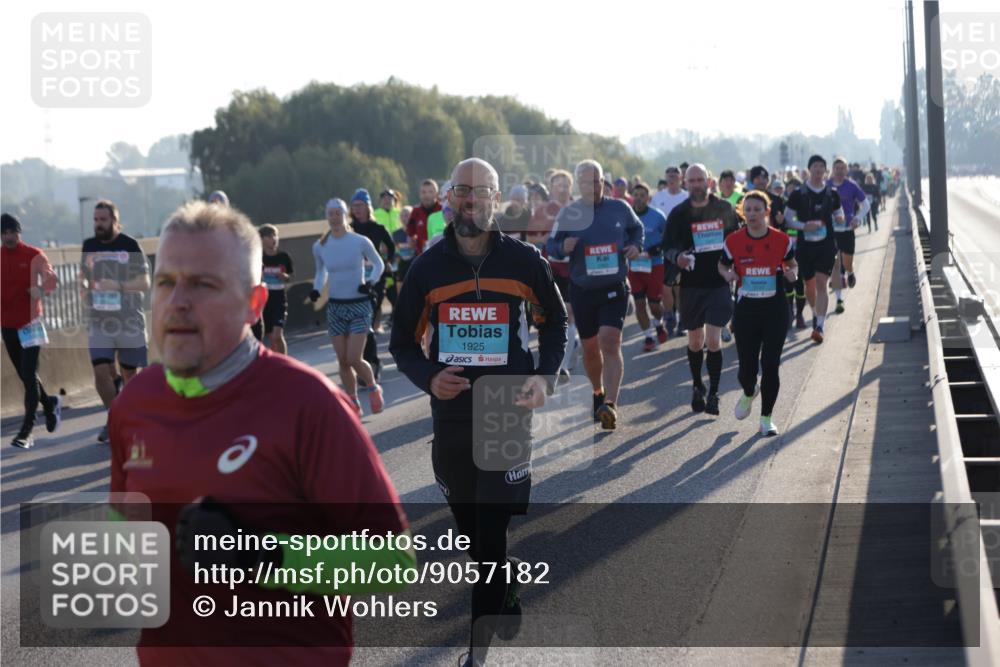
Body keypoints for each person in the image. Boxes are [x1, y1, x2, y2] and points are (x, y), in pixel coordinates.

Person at [110, 200, 412, 666]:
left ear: (255, 305)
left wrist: (260, 556)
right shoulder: (133, 404)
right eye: (166, 282)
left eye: (203, 284)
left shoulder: (306, 403)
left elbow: (390, 565)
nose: (178, 301)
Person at [390, 158, 567, 667]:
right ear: (449, 198)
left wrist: (543, 375)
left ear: (495, 199)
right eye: (461, 191)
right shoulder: (425, 269)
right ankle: (505, 581)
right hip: (450, 418)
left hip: (505, 411)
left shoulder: (525, 260)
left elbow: (555, 324)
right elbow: (402, 343)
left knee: (489, 533)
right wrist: (428, 378)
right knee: (474, 537)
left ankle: (476, 652)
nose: (471, 201)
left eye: (480, 192)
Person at [547, 159, 643, 429]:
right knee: (590, 350)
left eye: (599, 180)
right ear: (580, 184)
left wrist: (636, 245)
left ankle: (610, 404)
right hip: (583, 289)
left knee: (609, 341)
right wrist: (562, 246)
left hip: (614, 286)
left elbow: (637, 229)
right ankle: (597, 392)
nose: (596, 186)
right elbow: (551, 245)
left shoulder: (619, 208)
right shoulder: (568, 214)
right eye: (589, 182)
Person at [719, 191, 798, 437]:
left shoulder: (781, 240)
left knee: (771, 365)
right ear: (743, 212)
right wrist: (728, 274)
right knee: (746, 369)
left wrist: (792, 273)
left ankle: (766, 419)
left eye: (757, 209)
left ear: (766, 211)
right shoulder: (733, 241)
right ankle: (749, 391)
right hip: (746, 311)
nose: (752, 213)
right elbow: (722, 264)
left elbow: (792, 264)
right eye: (748, 209)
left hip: (775, 309)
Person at [663, 164, 740, 416]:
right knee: (695, 341)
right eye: (692, 180)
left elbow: (735, 241)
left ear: (709, 181)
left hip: (718, 283)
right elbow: (668, 248)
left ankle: (714, 394)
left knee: (713, 340)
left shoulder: (723, 209)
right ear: (686, 183)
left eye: (700, 179)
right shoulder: (678, 214)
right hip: (691, 287)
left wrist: (734, 270)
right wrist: (678, 259)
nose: (696, 184)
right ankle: (698, 384)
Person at [80, 199, 150, 444]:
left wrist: (118, 286)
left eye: (103, 220)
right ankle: (116, 419)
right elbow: (85, 277)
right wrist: (85, 290)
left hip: (129, 319)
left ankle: (133, 417)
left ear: (114, 220)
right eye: (95, 220)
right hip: (100, 320)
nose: (98, 224)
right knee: (101, 371)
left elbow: (144, 283)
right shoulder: (88, 245)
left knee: (130, 375)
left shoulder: (129, 245)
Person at [310, 198, 386, 415]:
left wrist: (370, 283)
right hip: (336, 307)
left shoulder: (359, 241)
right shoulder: (320, 245)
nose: (334, 217)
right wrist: (317, 289)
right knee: (343, 361)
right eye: (330, 213)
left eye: (338, 213)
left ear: (346, 215)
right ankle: (352, 402)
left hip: (359, 305)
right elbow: (321, 272)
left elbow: (379, 263)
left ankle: (372, 387)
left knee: (354, 358)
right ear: (327, 216)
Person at [1, 213, 61, 449]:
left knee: (28, 373)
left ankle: (26, 432)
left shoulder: (34, 255)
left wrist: (41, 288)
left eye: (12, 231)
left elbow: (52, 280)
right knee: (26, 377)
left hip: (31, 324)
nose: (8, 237)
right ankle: (49, 403)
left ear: (20, 232)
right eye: (4, 232)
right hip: (7, 325)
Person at [784, 155, 846, 344]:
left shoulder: (831, 193)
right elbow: (788, 218)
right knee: (809, 285)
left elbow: (839, 212)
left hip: (826, 245)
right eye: (815, 166)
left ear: (825, 170)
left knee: (821, 283)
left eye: (821, 166)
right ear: (810, 169)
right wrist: (804, 226)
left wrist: (840, 218)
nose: (818, 170)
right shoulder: (799, 193)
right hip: (805, 246)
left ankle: (819, 325)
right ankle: (814, 311)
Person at [529, 170, 579, 384]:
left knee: (569, 313)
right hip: (550, 268)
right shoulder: (542, 211)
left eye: (565, 185)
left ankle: (564, 366)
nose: (562, 188)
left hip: (575, 268)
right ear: (550, 188)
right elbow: (530, 236)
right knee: (551, 316)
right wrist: (549, 237)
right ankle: (564, 350)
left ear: (571, 187)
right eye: (557, 185)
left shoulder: (580, 210)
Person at [348, 189, 395, 386]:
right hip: (353, 283)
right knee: (357, 326)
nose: (357, 210)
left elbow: (391, 248)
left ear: (368, 207)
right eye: (354, 206)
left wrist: (384, 264)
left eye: (360, 206)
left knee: (366, 324)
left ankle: (371, 365)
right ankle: (363, 364)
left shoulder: (378, 228)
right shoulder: (348, 229)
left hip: (374, 282)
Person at [626, 181, 669, 351]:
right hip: (635, 267)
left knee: (655, 305)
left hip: (655, 265)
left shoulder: (658, 216)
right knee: (639, 304)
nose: (638, 198)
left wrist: (656, 249)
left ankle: (659, 323)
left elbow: (668, 238)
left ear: (648, 198)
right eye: (635, 195)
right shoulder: (626, 217)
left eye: (642, 195)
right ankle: (648, 336)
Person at [651, 166, 689, 337]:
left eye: (675, 175)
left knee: (679, 287)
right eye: (669, 176)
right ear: (665, 178)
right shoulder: (658, 197)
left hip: (682, 247)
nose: (672, 178)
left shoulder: (687, 196)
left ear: (681, 178)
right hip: (663, 247)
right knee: (665, 286)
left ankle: (682, 319)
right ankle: (670, 316)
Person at [828, 157, 869, 314]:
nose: (839, 171)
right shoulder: (827, 186)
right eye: (837, 168)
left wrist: (857, 219)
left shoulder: (851, 186)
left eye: (842, 168)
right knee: (836, 265)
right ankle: (839, 300)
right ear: (833, 169)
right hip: (831, 232)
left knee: (847, 263)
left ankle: (851, 273)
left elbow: (865, 205)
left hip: (847, 231)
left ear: (846, 170)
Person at [255, 224, 293, 354]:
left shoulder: (284, 257)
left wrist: (284, 276)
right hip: (264, 301)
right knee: (271, 337)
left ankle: (285, 365)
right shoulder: (258, 258)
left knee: (277, 335)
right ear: (261, 239)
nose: (274, 239)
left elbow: (290, 277)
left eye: (275, 235)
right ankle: (277, 364)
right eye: (269, 236)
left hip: (279, 300)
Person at [407, 179, 442, 256]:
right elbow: (410, 232)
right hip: (421, 255)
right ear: (420, 194)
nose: (427, 195)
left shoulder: (443, 210)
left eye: (430, 192)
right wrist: (412, 240)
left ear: (436, 194)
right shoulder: (415, 211)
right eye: (423, 192)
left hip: (441, 254)